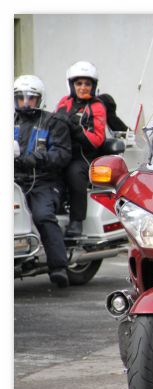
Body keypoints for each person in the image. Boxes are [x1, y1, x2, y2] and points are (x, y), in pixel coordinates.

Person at [13, 75, 72, 287]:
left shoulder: (52, 121)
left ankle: (58, 267)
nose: (26, 103)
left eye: (31, 98)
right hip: (15, 180)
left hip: (44, 181)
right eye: (21, 98)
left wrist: (34, 159)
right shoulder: (10, 121)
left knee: (43, 215)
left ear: (41, 99)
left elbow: (62, 154)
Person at [55, 61, 107, 237]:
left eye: (87, 83)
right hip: (62, 150)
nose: (83, 87)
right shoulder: (65, 102)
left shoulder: (97, 106)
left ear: (93, 86)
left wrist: (75, 128)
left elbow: (97, 140)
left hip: (83, 156)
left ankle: (77, 221)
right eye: (79, 83)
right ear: (72, 85)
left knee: (74, 172)